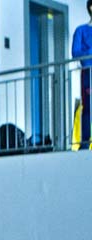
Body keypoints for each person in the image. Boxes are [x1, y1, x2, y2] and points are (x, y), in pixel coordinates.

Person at [72, 0, 92, 149]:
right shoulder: (81, 30)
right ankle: (85, 143)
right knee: (88, 108)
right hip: (88, 74)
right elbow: (76, 53)